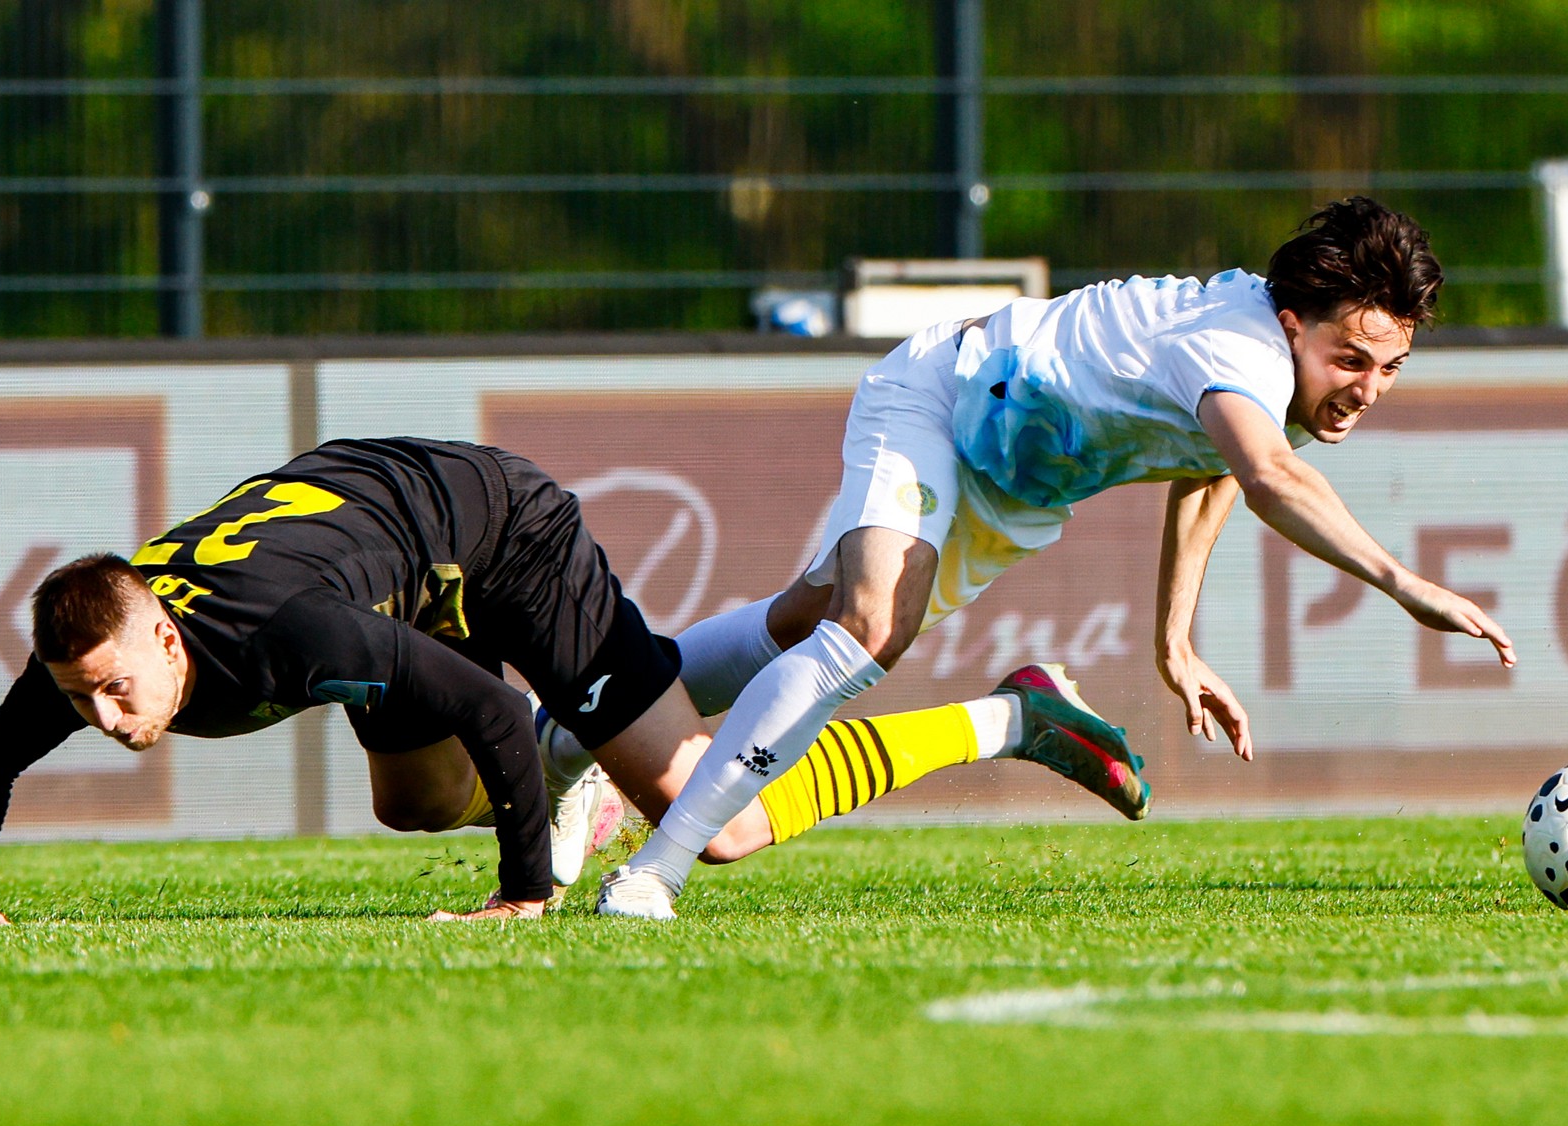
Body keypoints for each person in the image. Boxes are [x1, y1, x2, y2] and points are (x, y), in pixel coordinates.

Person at [593, 196, 1517, 919]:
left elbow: (1216, 472)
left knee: (805, 623)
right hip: (942, 397)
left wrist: (1174, 641)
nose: (1368, 389)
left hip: (1015, 483)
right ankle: (652, 871)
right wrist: (1403, 583)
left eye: (1389, 368)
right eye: (1352, 360)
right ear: (1289, 325)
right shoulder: (1242, 348)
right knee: (870, 627)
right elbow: (1268, 477)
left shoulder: (1296, 384)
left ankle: (573, 744)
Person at [0, 436, 1144, 926]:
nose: (104, 717)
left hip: (505, 537)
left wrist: (523, 894)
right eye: (83, 699)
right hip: (391, 551)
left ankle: (1015, 713)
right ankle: (591, 747)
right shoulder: (103, 637)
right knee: (412, 803)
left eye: (115, 689)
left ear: (167, 637)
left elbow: (493, 705)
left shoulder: (293, 634)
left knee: (716, 823)